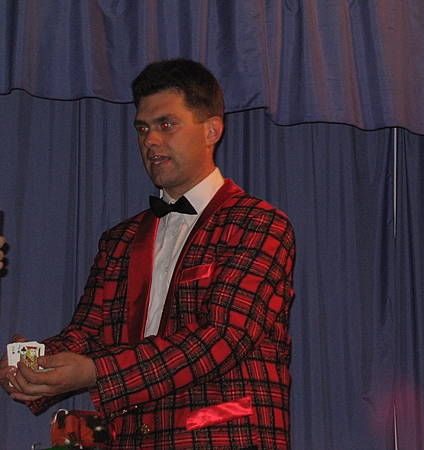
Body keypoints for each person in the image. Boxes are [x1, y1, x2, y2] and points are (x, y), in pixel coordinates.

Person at [0, 58, 296, 449]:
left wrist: (95, 372)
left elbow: (222, 338)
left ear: (212, 130)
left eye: (166, 124)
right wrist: (33, 366)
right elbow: (88, 334)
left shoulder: (258, 223)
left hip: (224, 437)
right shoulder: (120, 239)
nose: (150, 140)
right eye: (142, 128)